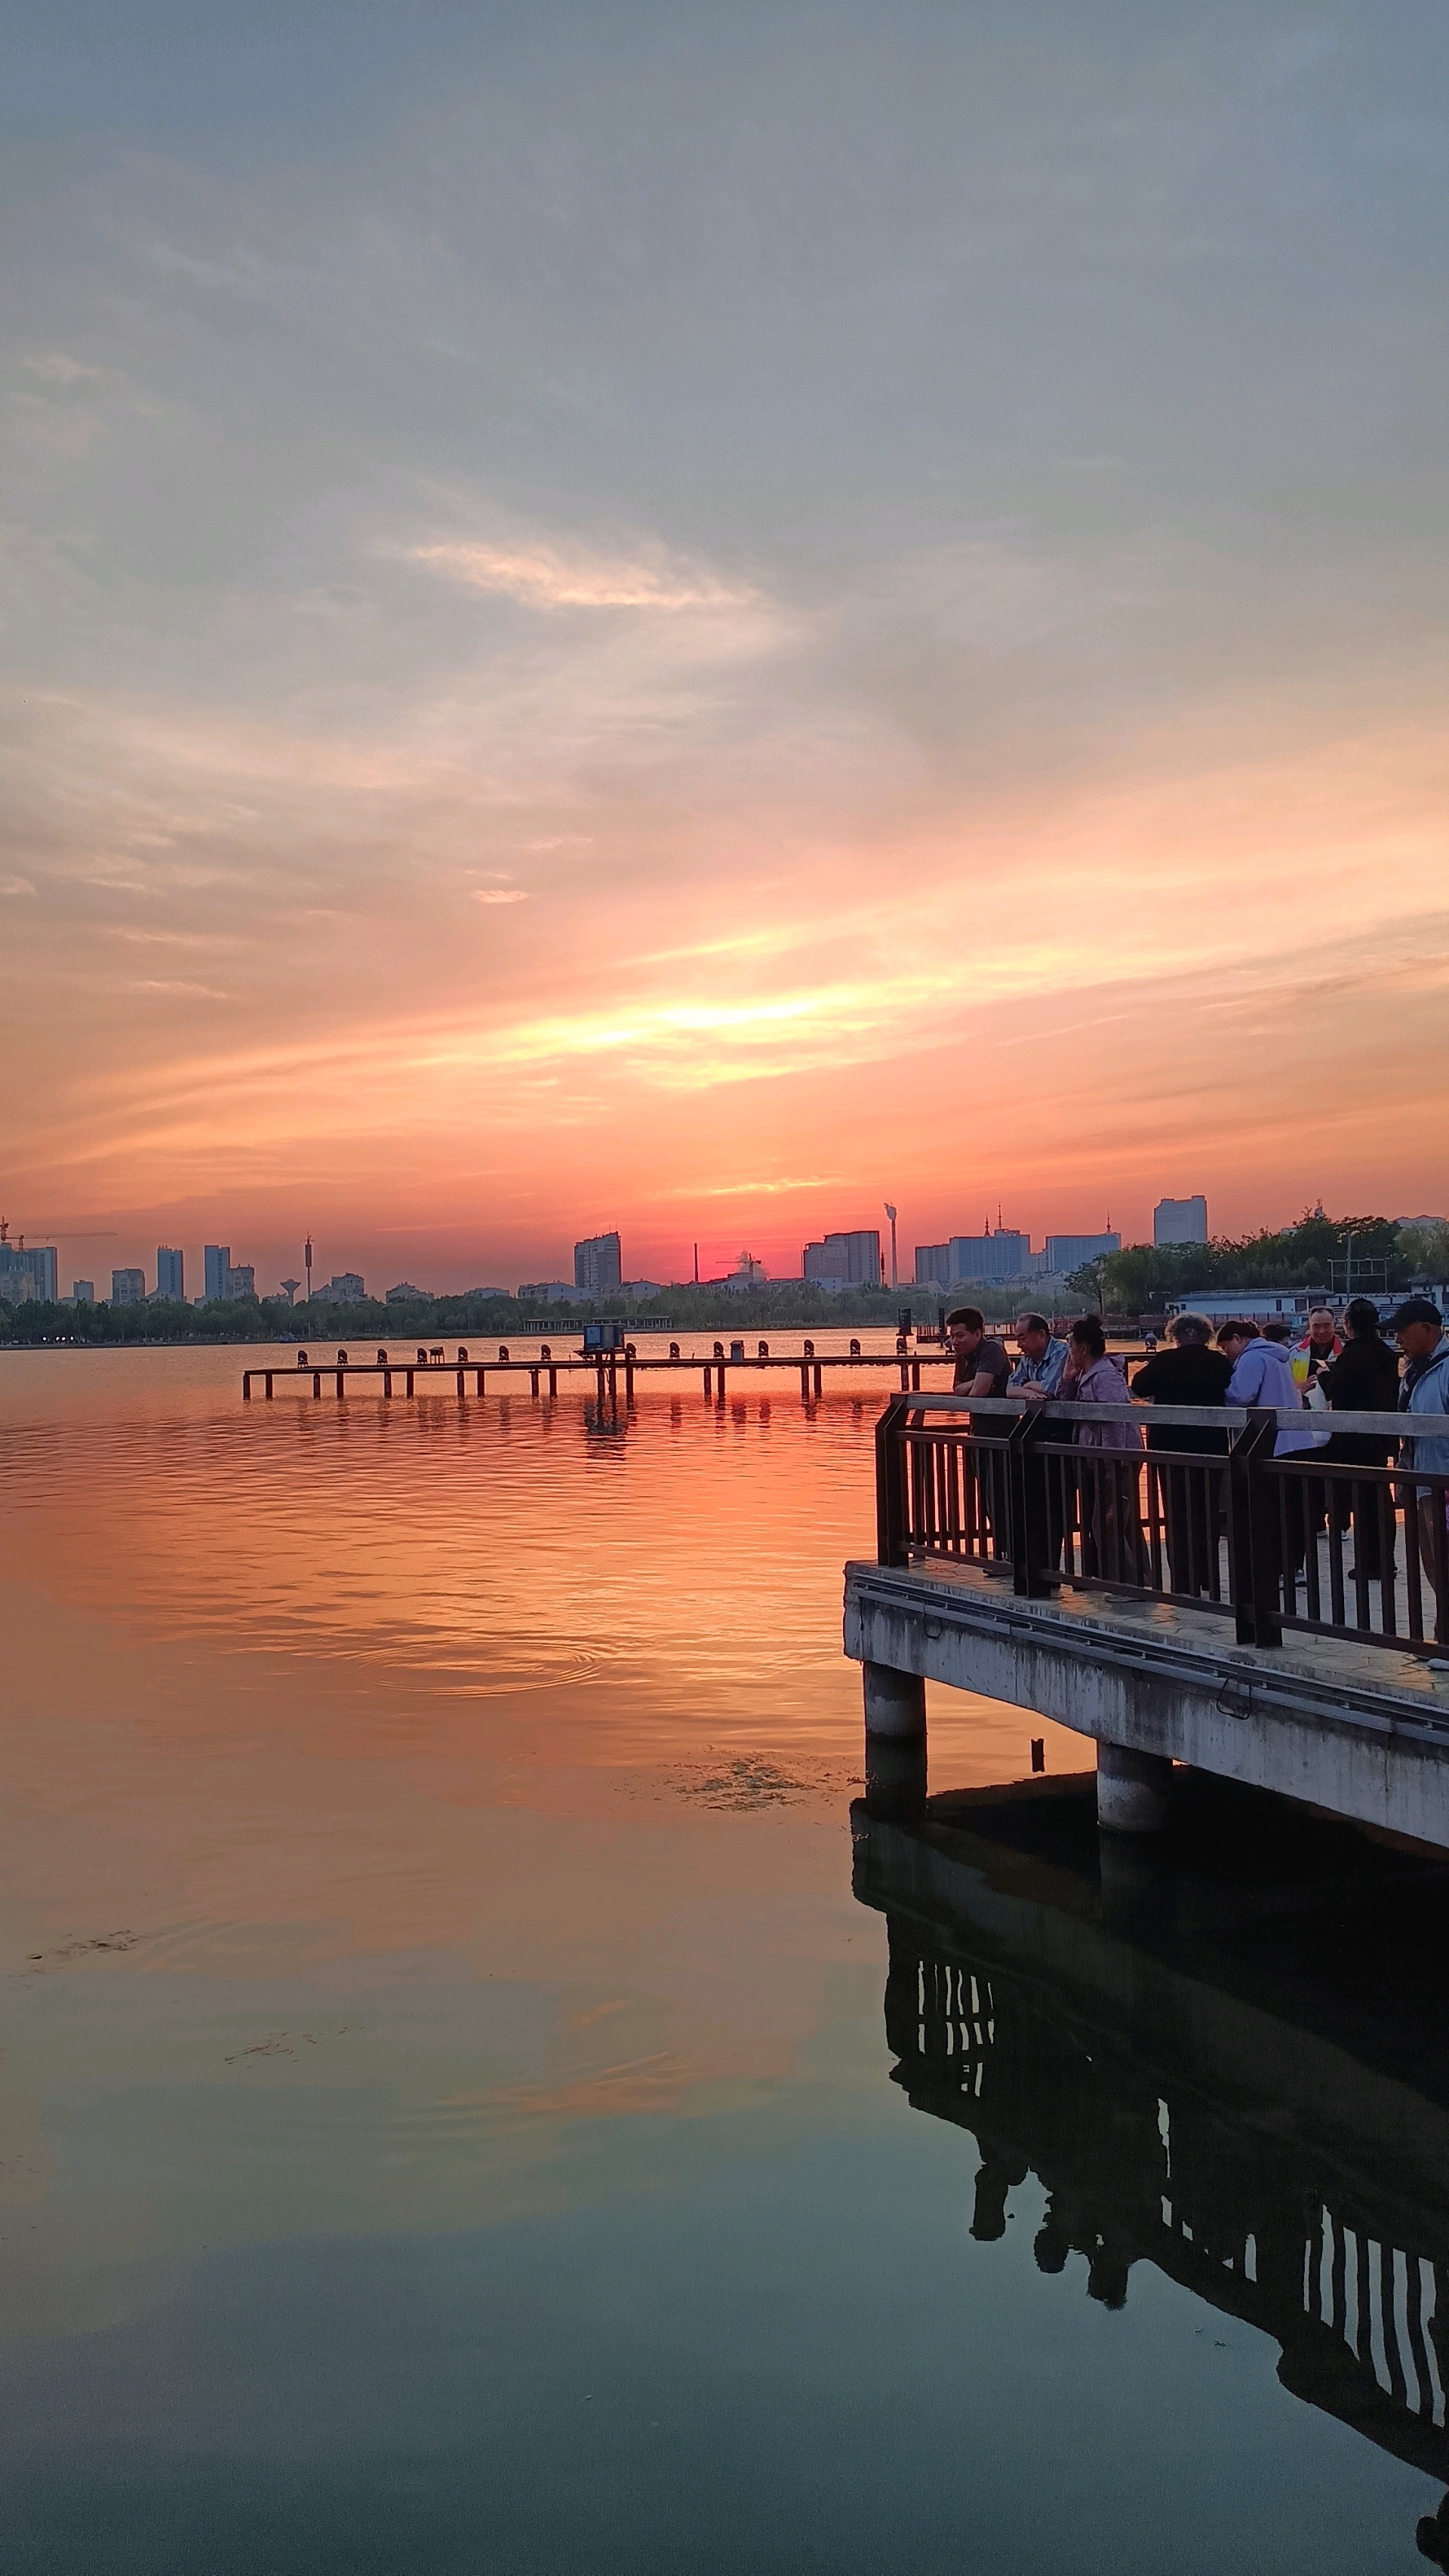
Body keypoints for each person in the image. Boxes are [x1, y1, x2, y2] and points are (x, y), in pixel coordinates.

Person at [1131, 1313, 1232, 1596]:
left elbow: (1139, 1386)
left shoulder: (1164, 1361)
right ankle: (1209, 1578)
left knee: (1177, 1514)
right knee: (1208, 1513)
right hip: (1210, 1446)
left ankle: (1182, 1582)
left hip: (1170, 1447)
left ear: (1174, 1337)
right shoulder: (1219, 1362)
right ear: (1206, 1336)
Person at [1218, 1318, 1315, 1590]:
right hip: (1297, 1439)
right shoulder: (1279, 1356)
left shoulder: (1252, 1358)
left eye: (1225, 1347)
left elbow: (1240, 1395)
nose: (1226, 1354)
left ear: (1237, 1339)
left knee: (1271, 1510)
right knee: (1294, 1509)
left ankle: (1275, 1568)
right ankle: (1294, 1568)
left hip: (1271, 1444)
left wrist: (1220, 1390)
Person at [1316, 1297, 1401, 1583]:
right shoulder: (1386, 1354)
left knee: (1362, 1503)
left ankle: (1368, 1564)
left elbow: (1336, 1391)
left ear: (1348, 1324)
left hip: (1353, 1439)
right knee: (1381, 1500)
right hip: (1381, 1437)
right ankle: (1386, 1562)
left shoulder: (1352, 1355)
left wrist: (1324, 1375)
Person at [1064, 1315, 1143, 1580]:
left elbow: (1116, 1421)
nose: (1069, 1353)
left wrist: (1113, 1460)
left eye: (1071, 1347)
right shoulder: (1085, 1375)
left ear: (1083, 1348)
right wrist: (1067, 1378)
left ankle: (1130, 1584)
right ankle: (1139, 1581)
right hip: (1099, 1458)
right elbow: (1062, 1401)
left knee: (1107, 1524)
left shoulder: (1106, 1377)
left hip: (1116, 1459)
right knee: (1120, 1523)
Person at [1390, 1297, 1449, 1605]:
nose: (1397, 1338)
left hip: (1443, 1485)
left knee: (1444, 1563)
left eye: (1402, 1330)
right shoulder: (1415, 1369)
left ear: (1427, 1329)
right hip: (1423, 1482)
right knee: (1434, 1566)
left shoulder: (1445, 1369)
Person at [947, 1306, 1011, 1398]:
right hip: (978, 1407)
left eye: (960, 1336)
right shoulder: (961, 1354)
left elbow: (978, 1393)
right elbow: (957, 1389)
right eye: (952, 1337)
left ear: (977, 1334)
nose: (954, 1342)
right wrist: (974, 1382)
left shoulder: (992, 1349)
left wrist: (972, 1386)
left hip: (999, 1406)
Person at [1009, 1311, 1068, 1400]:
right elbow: (1010, 1389)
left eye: (1022, 1338)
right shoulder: (1027, 1358)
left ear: (1041, 1335)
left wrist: (1029, 1384)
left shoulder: (1061, 1352)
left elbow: (1050, 1389)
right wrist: (1028, 1393)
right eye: (1017, 1339)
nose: (1019, 1345)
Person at [1292, 1306, 1342, 1384]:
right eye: (1316, 1327)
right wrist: (1301, 1388)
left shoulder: (1346, 1352)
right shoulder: (1295, 1353)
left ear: (1334, 1325)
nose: (1322, 1331)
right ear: (1309, 1326)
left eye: (1327, 1326)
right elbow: (1285, 1385)